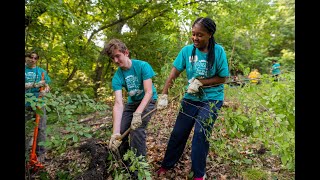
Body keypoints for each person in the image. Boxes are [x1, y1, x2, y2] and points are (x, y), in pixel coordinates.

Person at [156, 17, 229, 180]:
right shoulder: (187, 51)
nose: (195, 38)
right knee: (178, 133)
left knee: (200, 133)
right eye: (193, 34)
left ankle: (199, 174)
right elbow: (174, 73)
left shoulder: (219, 51)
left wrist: (201, 82)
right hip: (191, 97)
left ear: (210, 34)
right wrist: (164, 94)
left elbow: (223, 78)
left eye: (200, 35)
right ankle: (167, 165)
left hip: (212, 99)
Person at [103, 39, 158, 172]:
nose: (116, 60)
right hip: (132, 104)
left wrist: (138, 114)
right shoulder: (117, 76)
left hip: (148, 101)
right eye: (112, 58)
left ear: (126, 53)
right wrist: (115, 133)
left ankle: (139, 169)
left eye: (117, 56)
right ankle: (126, 166)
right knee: (121, 133)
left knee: (136, 130)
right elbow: (118, 103)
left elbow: (149, 92)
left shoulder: (142, 66)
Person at [25, 51, 51, 163]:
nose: (33, 60)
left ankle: (41, 154)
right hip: (26, 104)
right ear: (26, 58)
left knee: (41, 128)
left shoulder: (41, 71)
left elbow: (47, 85)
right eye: (31, 57)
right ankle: (26, 155)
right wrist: (34, 85)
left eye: (35, 58)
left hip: (39, 104)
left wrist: (45, 90)